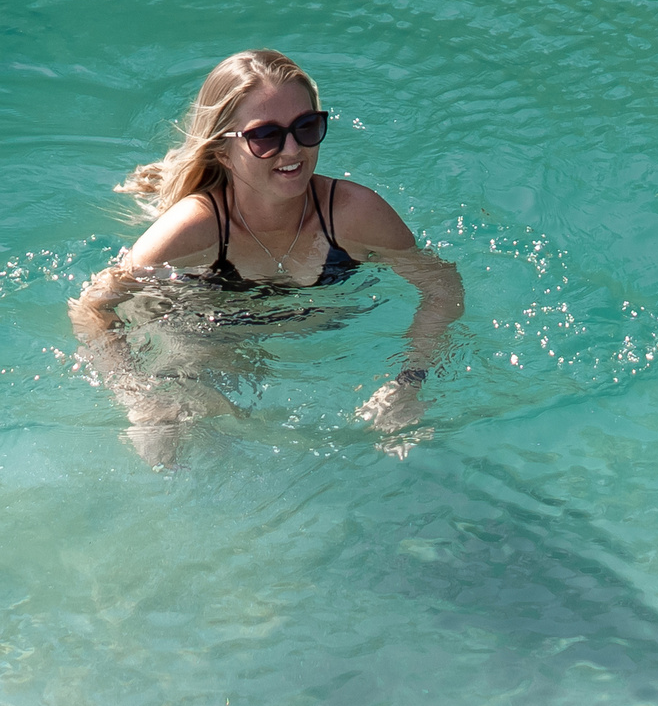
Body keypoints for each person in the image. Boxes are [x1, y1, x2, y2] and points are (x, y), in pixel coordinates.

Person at [70, 49, 464, 465]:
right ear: (223, 151)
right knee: (171, 450)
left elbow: (442, 286)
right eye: (266, 136)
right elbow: (92, 307)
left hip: (320, 346)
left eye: (307, 127)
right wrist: (140, 398)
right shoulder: (194, 229)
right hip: (209, 327)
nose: (292, 150)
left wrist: (409, 382)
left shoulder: (354, 215)